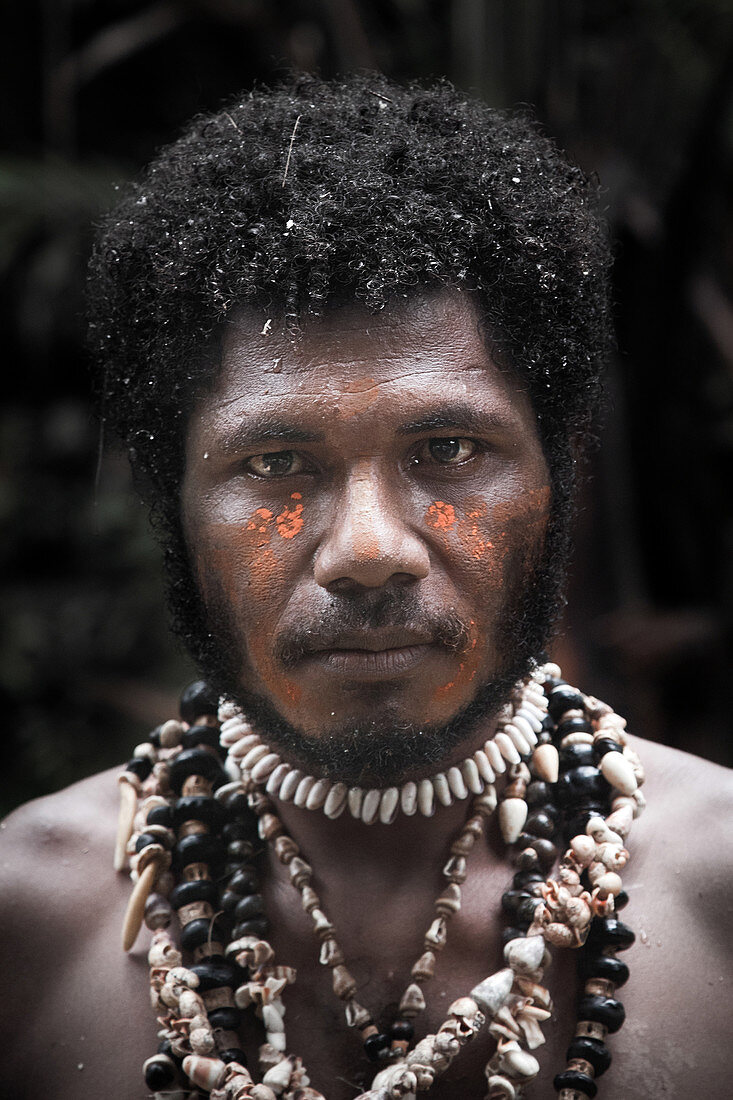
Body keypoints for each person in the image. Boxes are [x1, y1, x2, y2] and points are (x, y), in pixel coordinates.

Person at [1, 73, 731, 1100]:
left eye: (446, 446)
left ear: (560, 472)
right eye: (275, 463)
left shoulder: (718, 895)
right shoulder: (25, 922)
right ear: (168, 498)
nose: (368, 548)